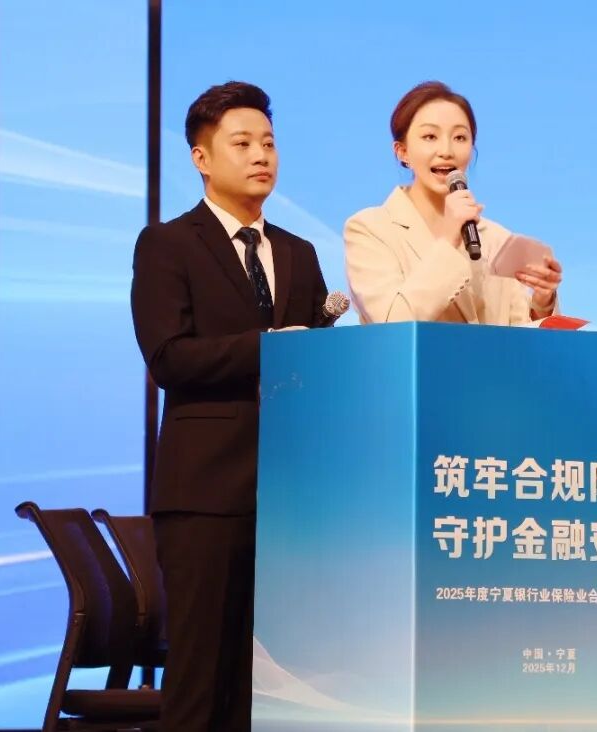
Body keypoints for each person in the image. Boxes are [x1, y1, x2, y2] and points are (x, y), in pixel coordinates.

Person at [130, 81, 329, 731]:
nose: (260, 155)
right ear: (201, 157)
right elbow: (169, 358)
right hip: (206, 492)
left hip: (292, 500)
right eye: (241, 143)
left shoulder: (299, 253)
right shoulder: (167, 244)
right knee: (201, 677)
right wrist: (270, 347)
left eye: (268, 143)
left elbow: (316, 369)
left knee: (272, 690)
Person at [344, 81, 563, 324]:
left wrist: (542, 302)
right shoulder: (369, 229)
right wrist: (449, 240)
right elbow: (393, 324)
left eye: (460, 137)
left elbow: (518, 333)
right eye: (430, 136)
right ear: (402, 151)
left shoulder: (498, 239)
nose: (446, 151)